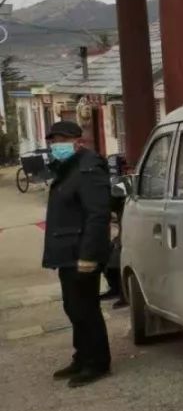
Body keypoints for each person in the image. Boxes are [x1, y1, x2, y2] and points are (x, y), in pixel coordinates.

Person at [42, 120, 113, 388]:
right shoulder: (68, 167)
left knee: (86, 309)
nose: (56, 145)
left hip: (82, 254)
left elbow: (98, 215)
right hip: (67, 252)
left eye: (61, 140)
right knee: (73, 307)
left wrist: (89, 255)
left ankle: (97, 363)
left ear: (78, 142)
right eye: (53, 141)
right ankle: (82, 356)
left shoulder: (88, 168)